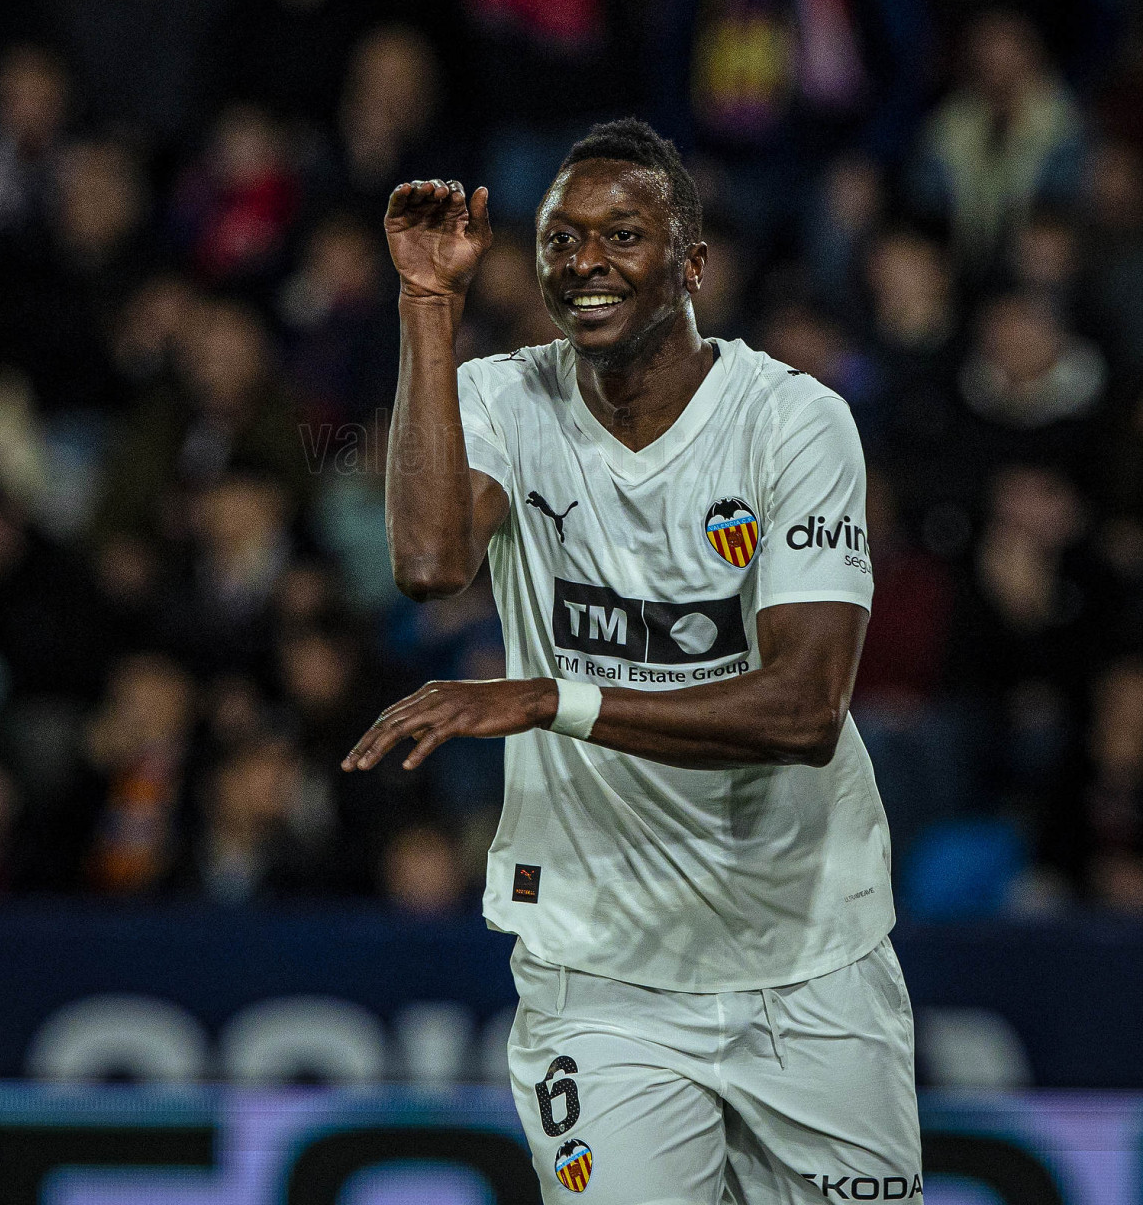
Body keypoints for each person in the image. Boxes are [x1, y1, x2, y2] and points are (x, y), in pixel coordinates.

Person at [344, 118, 921, 1202]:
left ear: (691, 264)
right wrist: (426, 303)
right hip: (598, 968)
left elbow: (803, 711)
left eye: (622, 235)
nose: (586, 262)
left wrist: (550, 699)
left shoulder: (795, 423)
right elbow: (428, 562)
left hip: (808, 957)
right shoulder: (504, 399)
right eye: (562, 240)